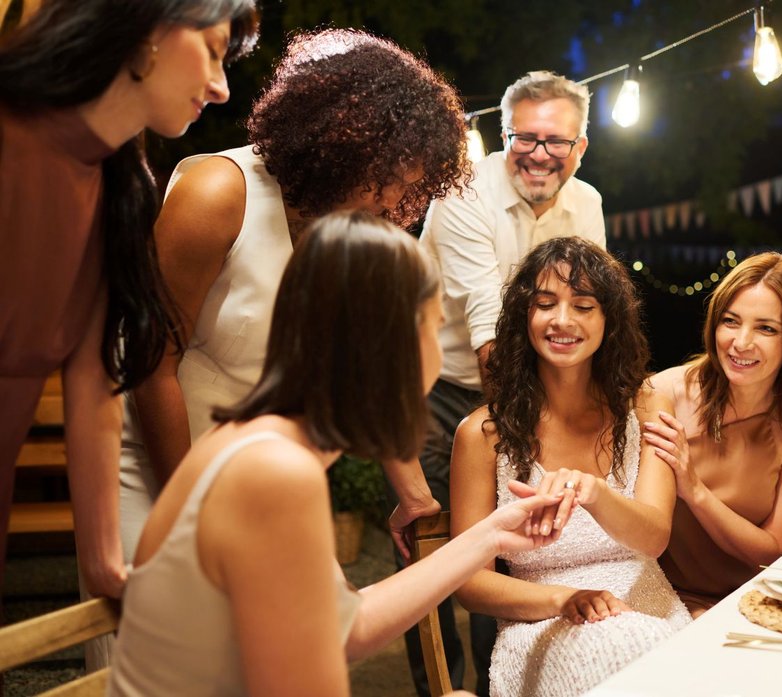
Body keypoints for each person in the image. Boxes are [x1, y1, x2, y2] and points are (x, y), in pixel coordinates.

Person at [107, 211, 566, 697]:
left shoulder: (258, 443)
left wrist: (492, 534)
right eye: (433, 326)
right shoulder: (277, 472)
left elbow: (347, 626)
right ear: (390, 343)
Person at [118, 28, 469, 571]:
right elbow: (150, 363)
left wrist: (415, 496)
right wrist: (188, 514)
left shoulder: (357, 235)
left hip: (261, 476)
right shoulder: (219, 194)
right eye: (388, 180)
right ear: (342, 148)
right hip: (157, 466)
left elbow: (371, 375)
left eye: (410, 187)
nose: (398, 201)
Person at [0, 0, 259, 608]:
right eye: (215, 52)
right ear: (149, 30)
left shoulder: (120, 184)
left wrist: (104, 561)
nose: (222, 90)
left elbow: (95, 380)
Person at [412, 69, 605, 696]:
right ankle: (442, 688)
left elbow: (589, 314)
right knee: (437, 553)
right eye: (527, 137)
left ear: (581, 147)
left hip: (538, 390)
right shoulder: (462, 191)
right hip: (445, 388)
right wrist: (542, 431)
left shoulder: (589, 204)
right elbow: (492, 332)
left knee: (513, 551)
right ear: (503, 136)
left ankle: (505, 683)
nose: (540, 154)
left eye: (557, 141)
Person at [451, 237, 692, 697]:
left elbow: (654, 537)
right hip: (541, 624)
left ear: (609, 321)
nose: (563, 320)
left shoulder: (645, 406)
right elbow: (469, 582)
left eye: (583, 306)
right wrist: (564, 600)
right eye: (545, 304)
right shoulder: (483, 433)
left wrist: (596, 494)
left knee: (645, 653)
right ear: (525, 316)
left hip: (648, 611)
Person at [645, 252, 782, 617]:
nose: (741, 342)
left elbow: (771, 548)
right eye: (730, 321)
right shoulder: (664, 393)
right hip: (662, 597)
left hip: (753, 599)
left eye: (766, 328)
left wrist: (694, 490)